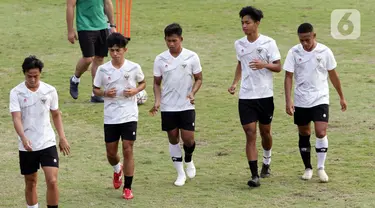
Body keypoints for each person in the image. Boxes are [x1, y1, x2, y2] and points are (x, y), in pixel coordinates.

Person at [283, 23, 347, 182]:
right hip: (301, 99)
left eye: (307, 40)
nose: (304, 43)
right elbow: (288, 76)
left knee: (320, 131)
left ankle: (320, 167)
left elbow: (333, 75)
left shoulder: (325, 52)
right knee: (304, 133)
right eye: (301, 40)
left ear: (314, 36)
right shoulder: (294, 52)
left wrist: (341, 96)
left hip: (320, 98)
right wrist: (288, 100)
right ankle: (307, 168)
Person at [228, 6, 281, 187]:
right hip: (246, 97)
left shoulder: (269, 43)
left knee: (265, 133)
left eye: (247, 22)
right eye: (242, 22)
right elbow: (240, 64)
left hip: (265, 96)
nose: (244, 26)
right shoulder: (239, 44)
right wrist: (235, 83)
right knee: (250, 134)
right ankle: (254, 175)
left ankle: (267, 161)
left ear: (257, 23)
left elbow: (278, 67)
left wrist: (264, 65)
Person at [9, 56, 71, 208]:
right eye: (29, 76)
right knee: (31, 182)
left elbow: (56, 114)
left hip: (47, 142)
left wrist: (62, 137)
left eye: (35, 76)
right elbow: (16, 118)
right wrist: (23, 138)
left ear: (40, 73)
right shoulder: (16, 93)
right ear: (24, 74)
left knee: (52, 180)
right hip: (27, 144)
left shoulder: (49, 90)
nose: (32, 79)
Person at [93, 32, 145, 199]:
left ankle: (128, 188)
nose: (115, 54)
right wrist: (105, 93)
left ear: (125, 50)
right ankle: (117, 168)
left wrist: (136, 90)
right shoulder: (102, 69)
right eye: (111, 50)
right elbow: (95, 89)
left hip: (129, 114)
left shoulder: (134, 67)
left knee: (128, 148)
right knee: (111, 152)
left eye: (118, 50)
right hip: (111, 115)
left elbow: (143, 83)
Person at [149, 23, 203, 187]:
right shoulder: (160, 59)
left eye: (174, 40)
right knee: (173, 138)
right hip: (168, 107)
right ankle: (180, 174)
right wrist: (157, 101)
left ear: (181, 39)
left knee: (188, 139)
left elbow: (199, 78)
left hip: (186, 105)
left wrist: (193, 92)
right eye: (168, 41)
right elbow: (157, 83)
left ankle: (189, 158)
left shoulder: (191, 57)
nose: (171, 44)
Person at [66, 0, 116, 102]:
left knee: (99, 58)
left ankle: (95, 93)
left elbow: (107, 3)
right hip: (85, 26)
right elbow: (70, 6)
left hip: (102, 26)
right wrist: (70, 30)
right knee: (88, 59)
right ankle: (75, 79)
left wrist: (112, 25)